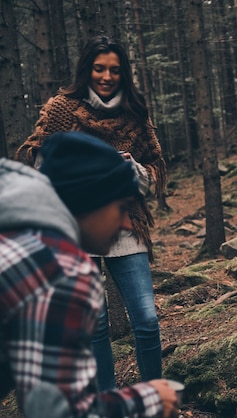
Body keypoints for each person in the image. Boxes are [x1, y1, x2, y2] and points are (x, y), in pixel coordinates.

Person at [15, 34, 166, 391]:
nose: (106, 76)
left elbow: (156, 164)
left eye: (115, 70)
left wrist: (135, 173)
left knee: (146, 319)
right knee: (94, 324)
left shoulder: (134, 110)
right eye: (99, 68)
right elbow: (42, 162)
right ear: (87, 69)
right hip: (76, 225)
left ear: (123, 73)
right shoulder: (62, 108)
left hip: (126, 221)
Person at [0, 131, 178, 418]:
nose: (128, 225)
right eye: (120, 208)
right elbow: (56, 411)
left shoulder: (21, 237)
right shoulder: (59, 270)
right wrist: (146, 400)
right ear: (87, 202)